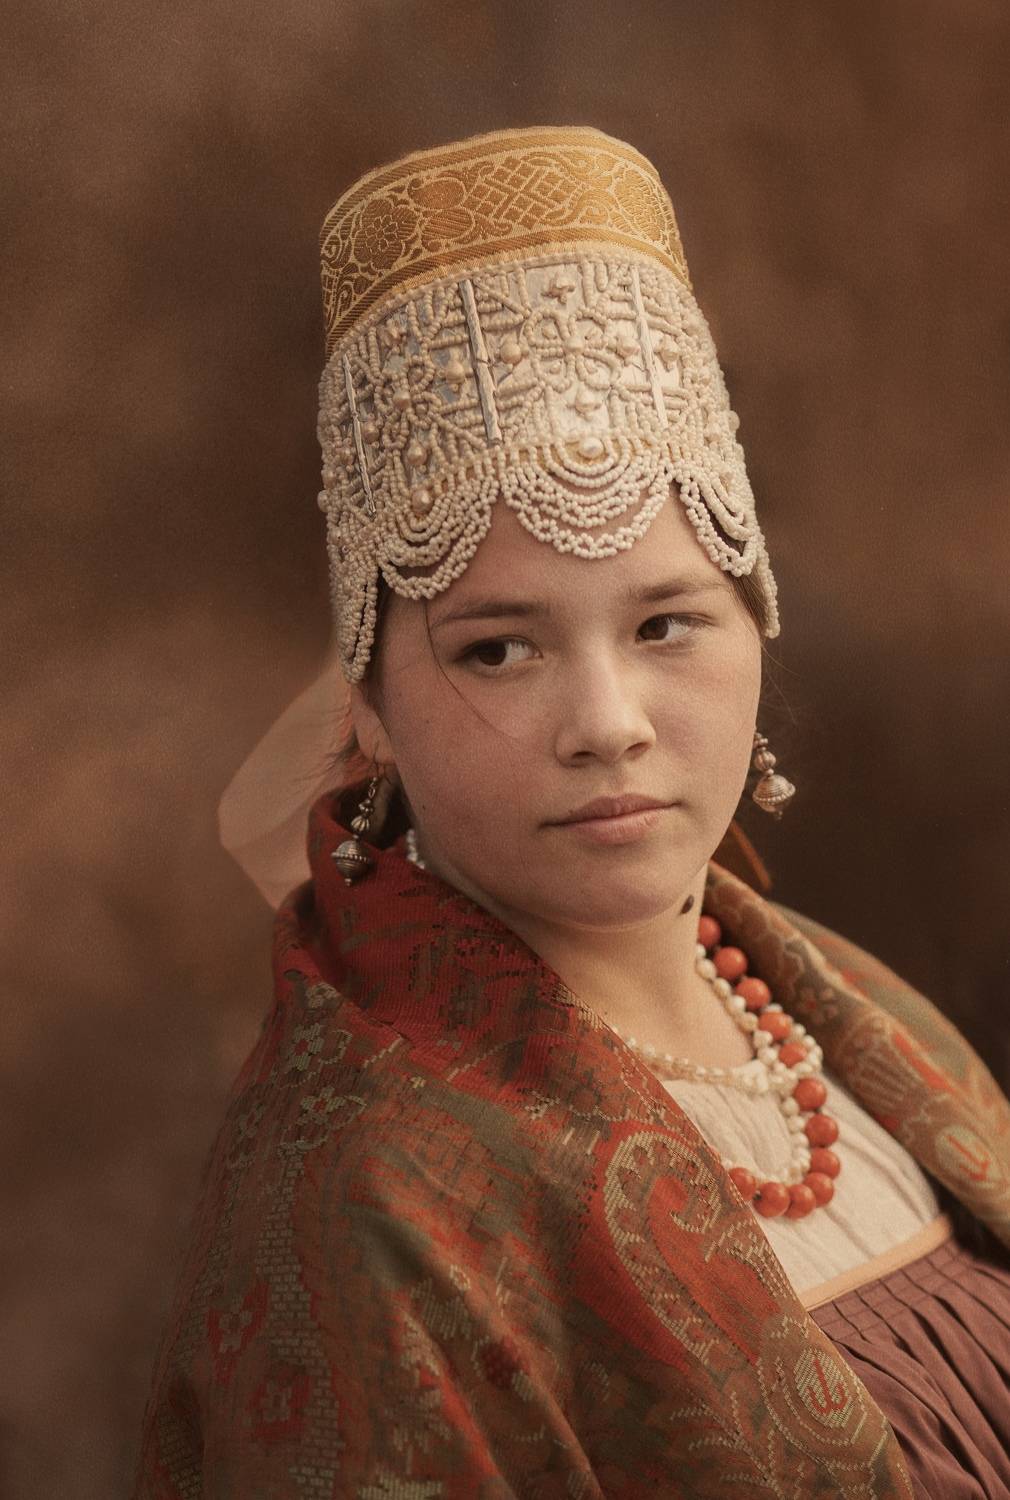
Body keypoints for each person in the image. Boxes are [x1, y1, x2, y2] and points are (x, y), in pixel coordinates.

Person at [132, 126, 1010, 1498]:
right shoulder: (374, 1203)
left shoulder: (855, 1013)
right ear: (367, 706)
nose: (607, 721)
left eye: (666, 624)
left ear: (756, 628)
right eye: (498, 649)